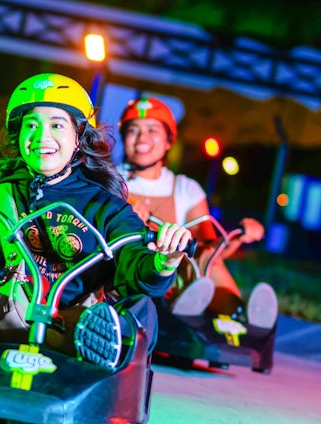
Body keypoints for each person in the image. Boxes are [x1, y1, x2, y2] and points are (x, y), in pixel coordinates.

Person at [0, 73, 194, 370]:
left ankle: (100, 354)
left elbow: (137, 267)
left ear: (78, 137)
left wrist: (165, 261)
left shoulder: (105, 206)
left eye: (57, 125)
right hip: (8, 321)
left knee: (141, 306)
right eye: (31, 125)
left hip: (75, 331)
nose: (41, 138)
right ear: (18, 135)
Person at [118, 96, 277, 327]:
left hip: (169, 274)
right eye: (133, 131)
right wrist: (125, 205)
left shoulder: (185, 188)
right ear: (124, 138)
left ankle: (238, 313)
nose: (142, 138)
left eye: (152, 130)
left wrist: (240, 236)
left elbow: (210, 251)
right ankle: (188, 311)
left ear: (168, 141)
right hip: (126, 270)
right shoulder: (111, 179)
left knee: (203, 255)